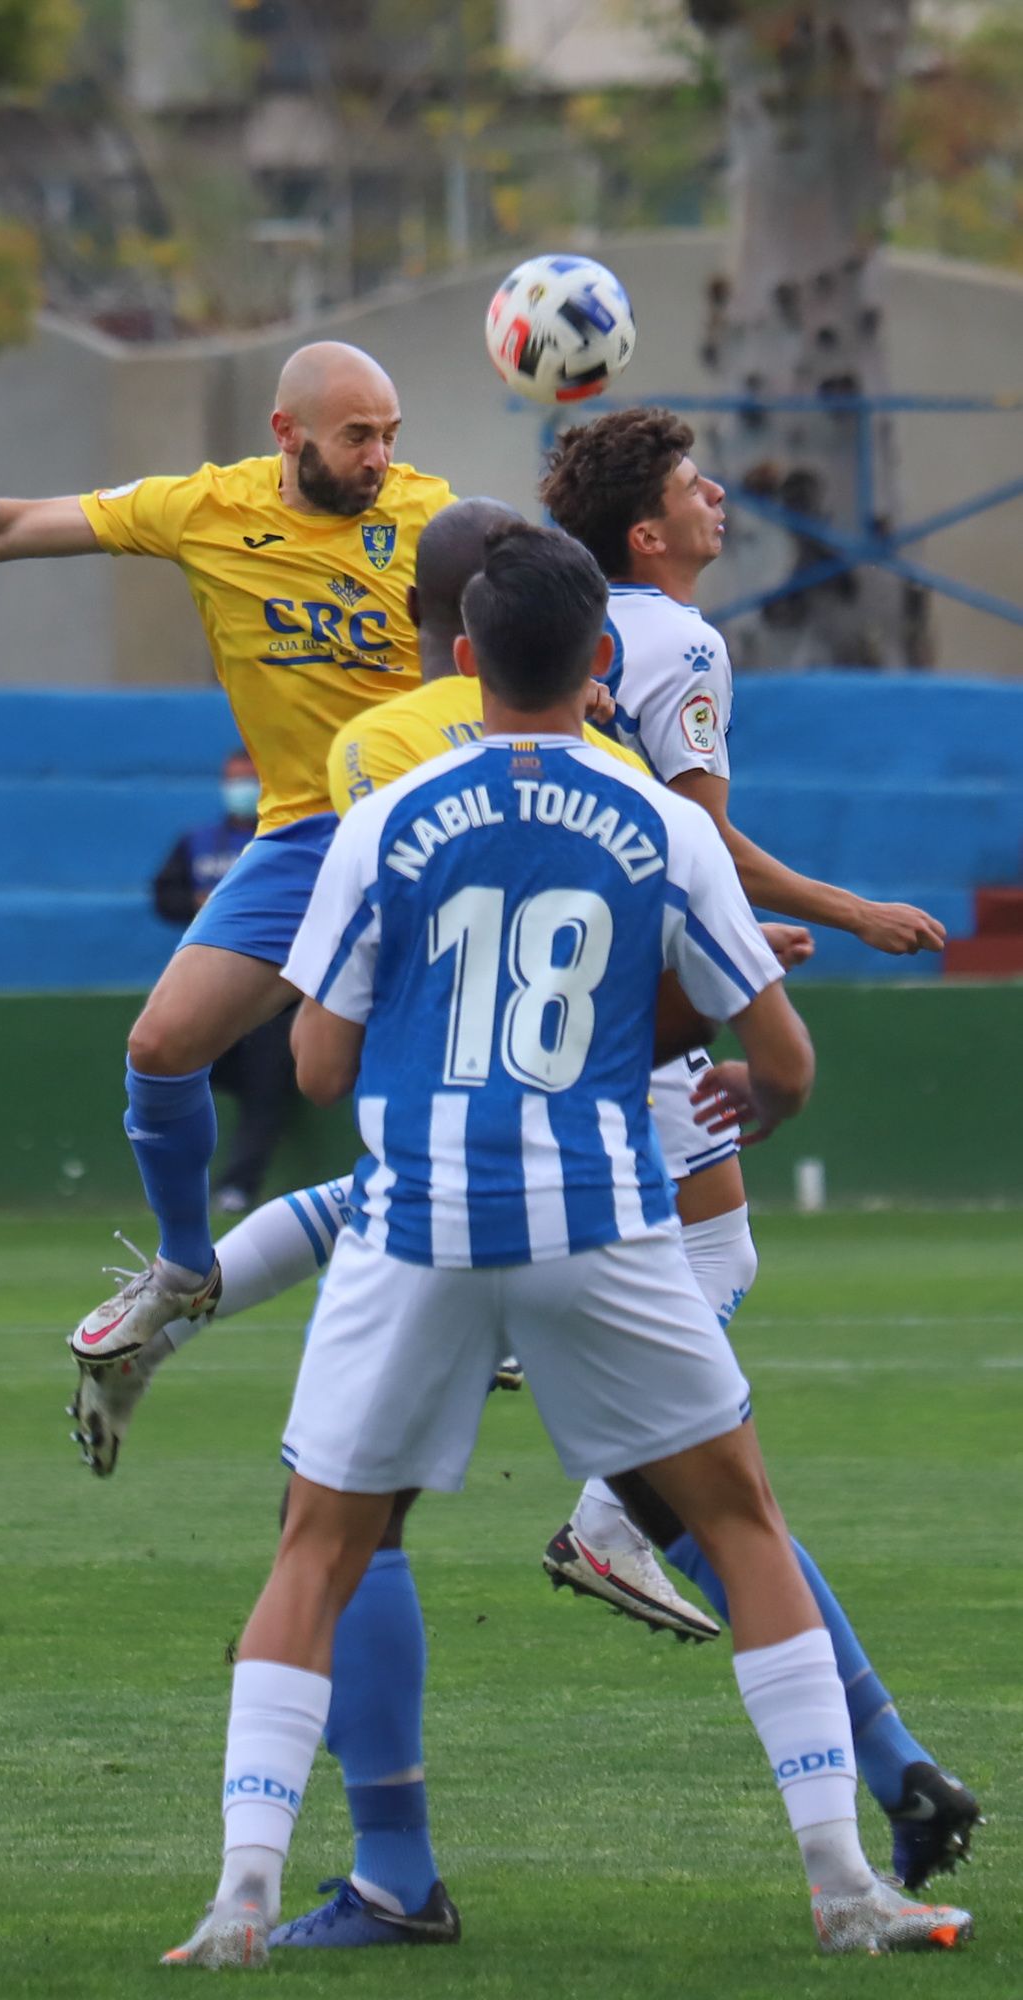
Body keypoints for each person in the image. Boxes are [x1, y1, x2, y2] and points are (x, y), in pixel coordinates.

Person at [161, 522, 970, 1966]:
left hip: (416, 1225)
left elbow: (325, 1069)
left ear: (465, 661)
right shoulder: (656, 820)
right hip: (601, 1219)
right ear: (600, 666)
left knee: (319, 1546)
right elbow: (773, 1054)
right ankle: (846, 1884)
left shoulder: (384, 818)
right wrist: (756, 1102)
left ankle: (238, 1890)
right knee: (739, 1521)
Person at [0, 340, 454, 1405]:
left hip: (424, 837)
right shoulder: (202, 510)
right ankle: (182, 1267)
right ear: (287, 433)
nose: (381, 457)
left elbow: (542, 617)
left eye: (391, 434)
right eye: (360, 436)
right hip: (305, 837)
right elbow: (13, 528)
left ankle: (509, 1273)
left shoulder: (435, 517)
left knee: (417, 1095)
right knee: (162, 1048)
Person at [538, 408, 978, 1886]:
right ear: (646, 536)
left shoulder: (551, 627)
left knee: (714, 1420)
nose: (717, 493)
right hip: (640, 1008)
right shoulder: (683, 645)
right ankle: (606, 1498)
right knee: (712, 1440)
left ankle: (899, 1772)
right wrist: (839, 920)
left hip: (544, 1022)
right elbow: (695, 842)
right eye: (688, 484)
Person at [152, 749, 298, 1212]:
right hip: (212, 984)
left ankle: (237, 1186)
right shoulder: (197, 843)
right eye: (233, 779)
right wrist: (199, 904)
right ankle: (177, 1183)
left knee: (267, 1087)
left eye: (249, 779)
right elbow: (164, 896)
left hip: (277, 989)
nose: (241, 789)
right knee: (182, 1070)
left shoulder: (285, 842)